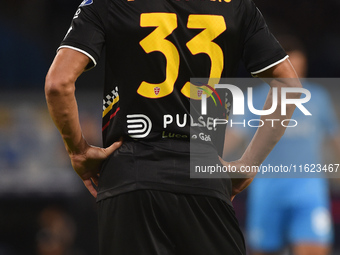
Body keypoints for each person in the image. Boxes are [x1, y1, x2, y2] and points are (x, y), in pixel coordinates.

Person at [45, 0, 302, 254]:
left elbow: (58, 84)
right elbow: (289, 85)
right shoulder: (237, 6)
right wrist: (249, 163)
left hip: (131, 172)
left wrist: (77, 151)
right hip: (204, 173)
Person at [223, 36, 339, 255]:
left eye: (299, 71)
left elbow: (335, 138)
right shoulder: (253, 99)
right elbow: (233, 137)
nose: (295, 79)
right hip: (267, 191)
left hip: (309, 191)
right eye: (290, 71)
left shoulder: (318, 98)